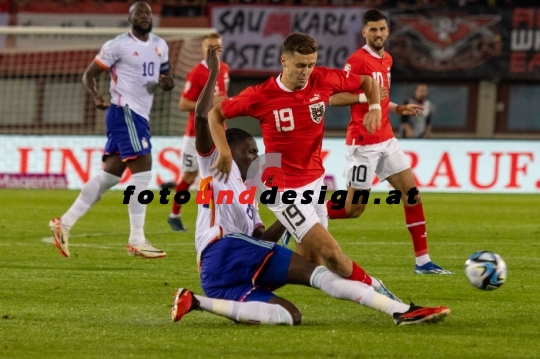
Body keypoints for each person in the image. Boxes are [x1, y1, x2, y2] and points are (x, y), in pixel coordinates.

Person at [170, 44, 451, 326]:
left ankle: (197, 302)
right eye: (251, 151)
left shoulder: (251, 193)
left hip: (233, 269)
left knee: (292, 313)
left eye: (310, 64)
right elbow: (205, 117)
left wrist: (292, 216)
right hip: (222, 251)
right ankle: (398, 308)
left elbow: (261, 241)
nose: (258, 157)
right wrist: (213, 73)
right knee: (329, 262)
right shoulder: (217, 166)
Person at [207, 32, 403, 297]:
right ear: (284, 61)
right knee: (333, 255)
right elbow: (215, 114)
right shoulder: (261, 95)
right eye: (300, 65)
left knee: (315, 266)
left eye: (311, 64)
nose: (306, 72)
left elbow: (368, 82)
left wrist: (375, 109)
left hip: (314, 181)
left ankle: (255, 279)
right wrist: (224, 152)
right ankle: (382, 294)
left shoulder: (323, 79)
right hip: (281, 188)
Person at [328, 9, 451, 274]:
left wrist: (396, 108)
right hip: (363, 143)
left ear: (387, 30)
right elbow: (333, 98)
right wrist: (365, 97)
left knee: (412, 195)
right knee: (353, 209)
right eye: (373, 29)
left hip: (387, 139)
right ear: (364, 32)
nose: (378, 33)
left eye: (382, 29)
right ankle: (303, 218)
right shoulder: (357, 61)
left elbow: (381, 98)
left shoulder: (387, 59)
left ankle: (423, 262)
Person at [48, 1, 174, 259]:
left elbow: (166, 79)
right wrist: (95, 95)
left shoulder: (161, 45)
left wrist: (167, 83)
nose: (144, 16)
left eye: (147, 13)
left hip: (138, 115)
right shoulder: (117, 45)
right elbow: (89, 74)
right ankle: (137, 239)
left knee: (110, 177)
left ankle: (65, 223)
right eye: (138, 13)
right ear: (130, 18)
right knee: (144, 169)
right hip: (124, 112)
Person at [167, 33, 230, 232]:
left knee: (220, 176)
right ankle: (174, 215)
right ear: (202, 49)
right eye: (210, 47)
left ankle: (216, 218)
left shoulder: (225, 69)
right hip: (196, 133)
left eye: (217, 47)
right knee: (189, 175)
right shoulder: (196, 73)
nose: (214, 51)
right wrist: (208, 103)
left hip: (219, 130)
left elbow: (222, 98)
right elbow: (183, 104)